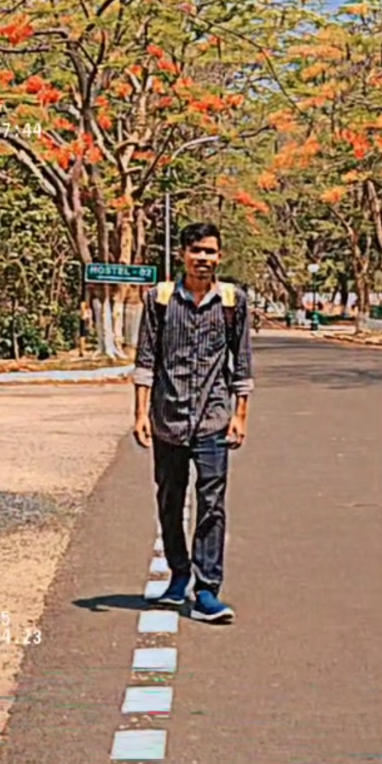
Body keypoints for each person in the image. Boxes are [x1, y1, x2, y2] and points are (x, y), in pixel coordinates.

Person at [132, 222, 254, 624]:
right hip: (168, 419)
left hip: (214, 421)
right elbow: (146, 360)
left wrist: (240, 416)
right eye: (196, 250)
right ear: (182, 254)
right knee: (169, 501)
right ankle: (178, 575)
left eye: (211, 252)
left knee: (212, 506)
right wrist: (140, 414)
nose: (203, 258)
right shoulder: (161, 299)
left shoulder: (233, 301)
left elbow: (242, 362)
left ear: (220, 256)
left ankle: (206, 590)